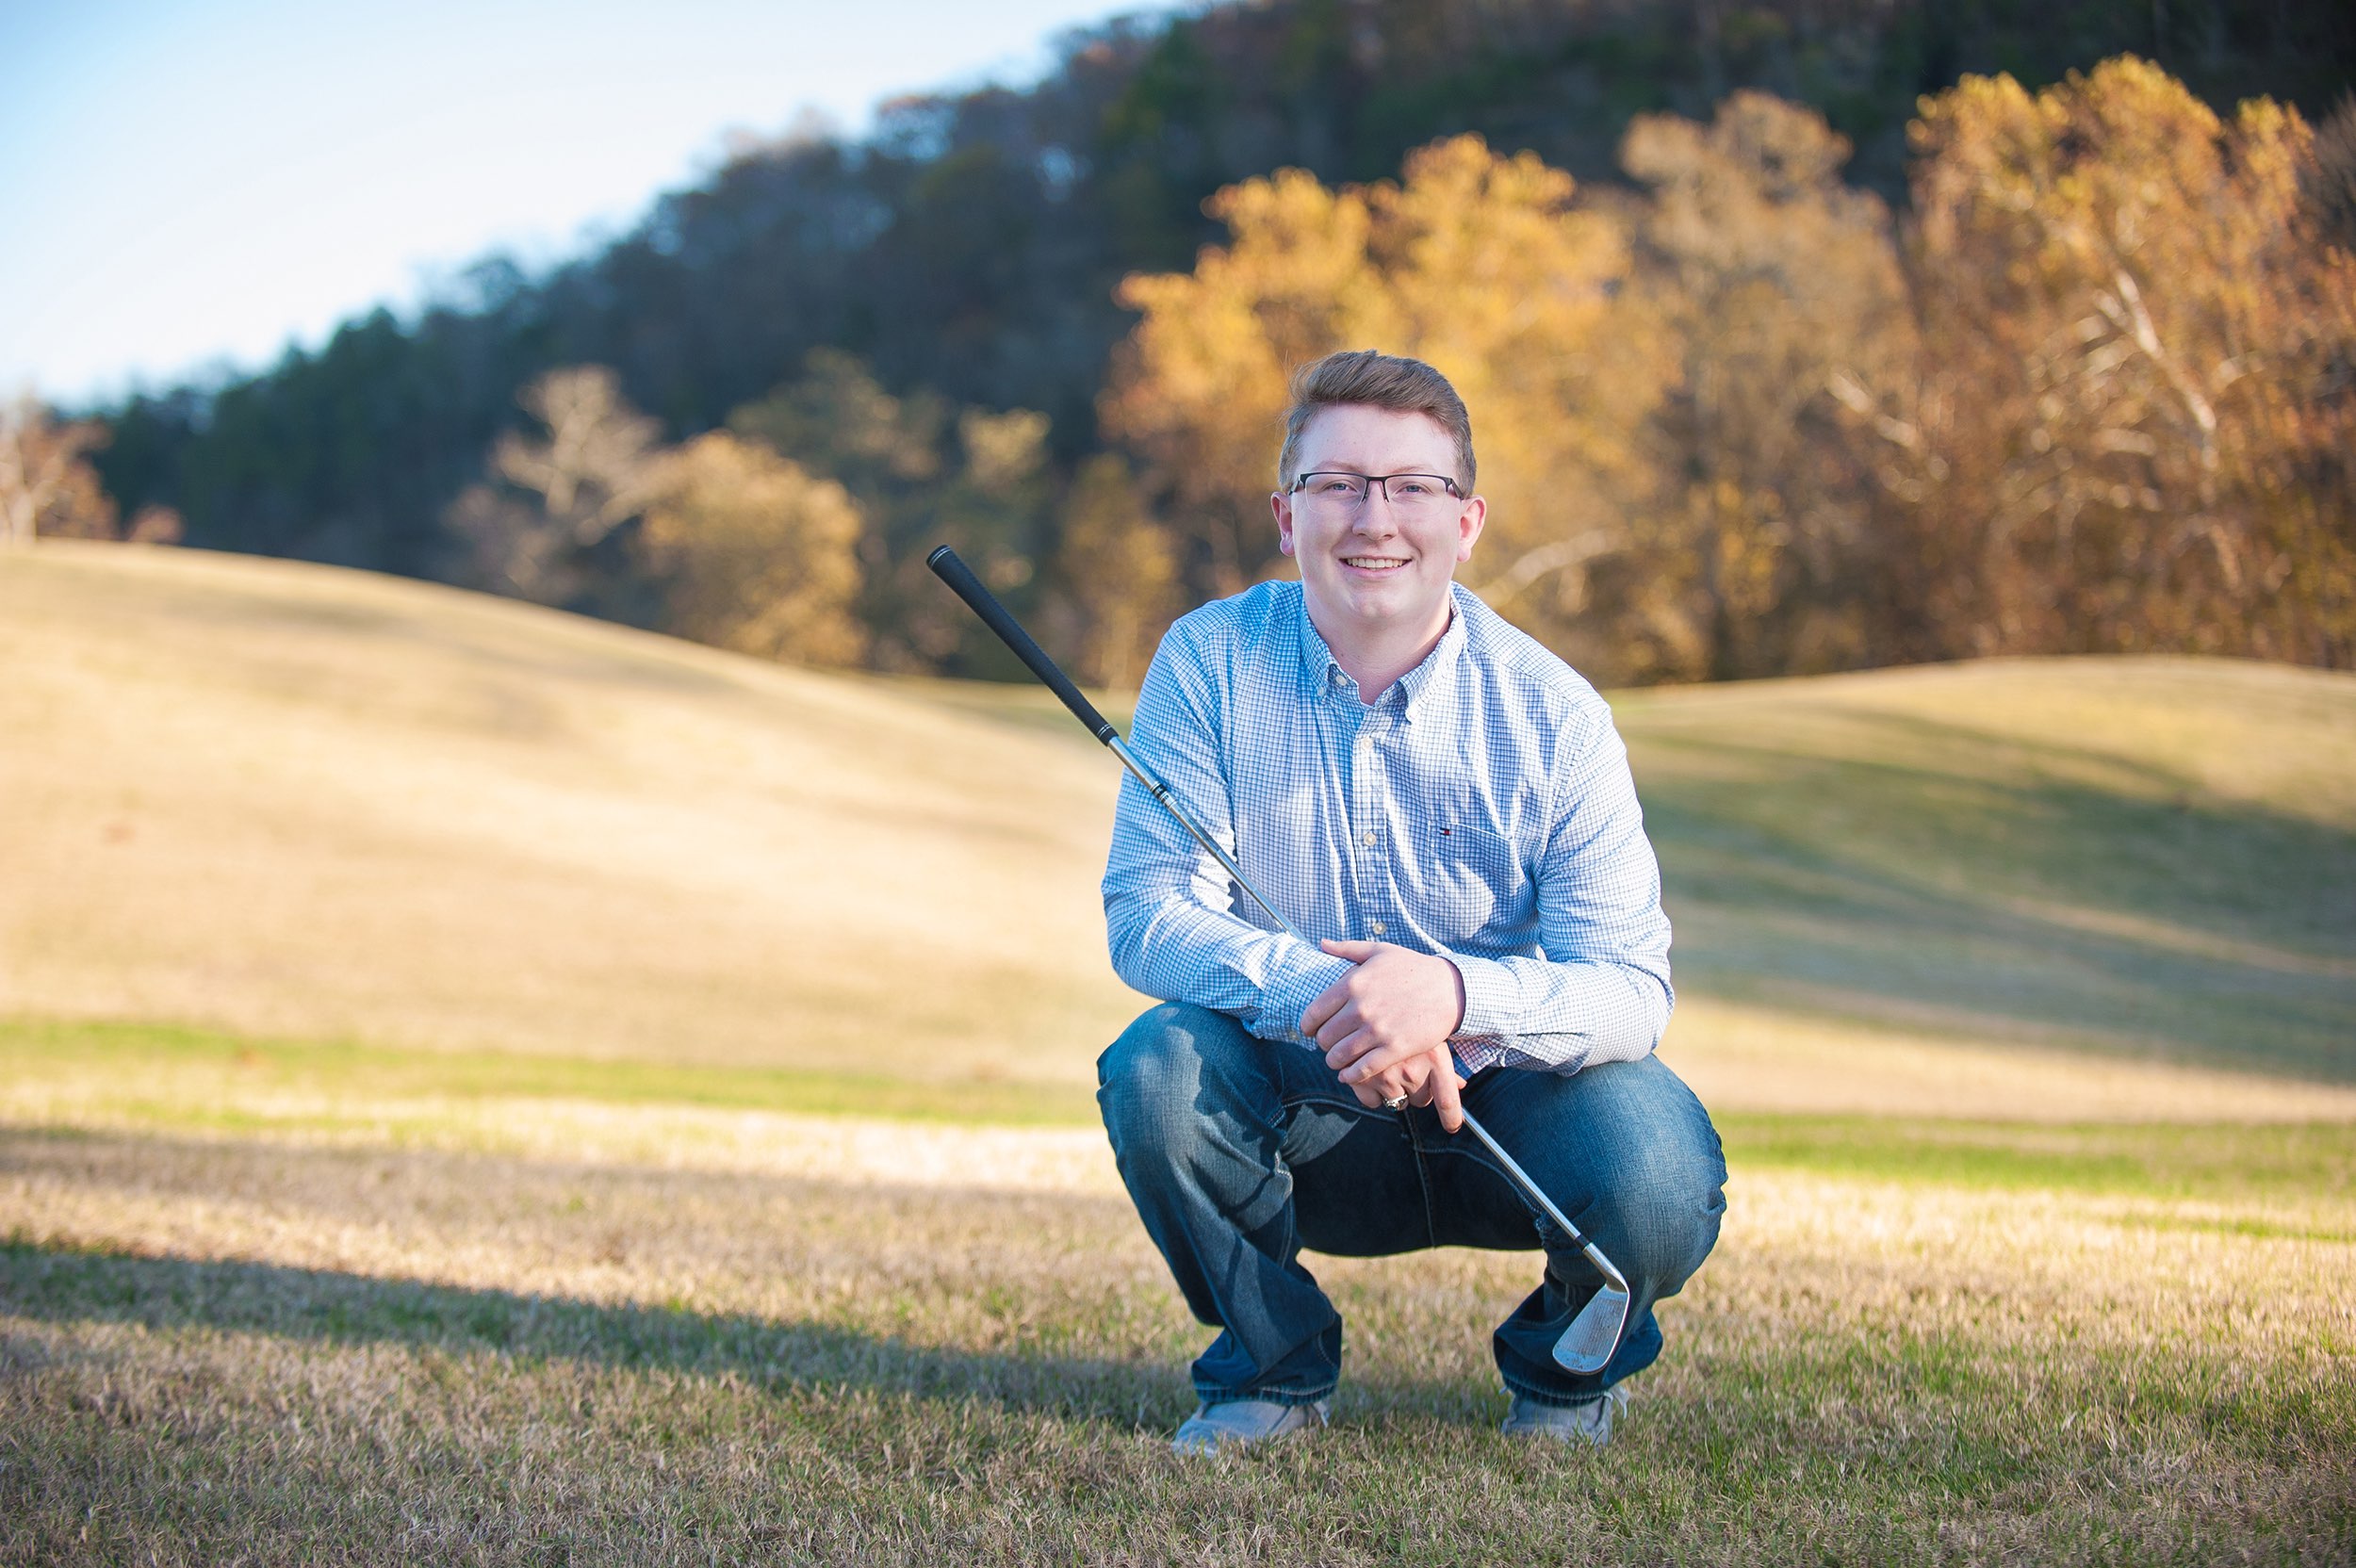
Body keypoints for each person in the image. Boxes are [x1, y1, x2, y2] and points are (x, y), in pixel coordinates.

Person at [1096, 349, 1726, 1454]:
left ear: (1467, 519)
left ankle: (1562, 1375)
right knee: (1158, 1070)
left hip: (1508, 1114)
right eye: (1335, 483)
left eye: (1409, 485)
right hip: (1303, 1113)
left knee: (1659, 1168)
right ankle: (1270, 1368)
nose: (1371, 515)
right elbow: (1149, 912)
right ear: (1286, 517)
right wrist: (1337, 995)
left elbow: (1631, 990)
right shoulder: (1207, 662)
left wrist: (1445, 995)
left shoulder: (1557, 715)